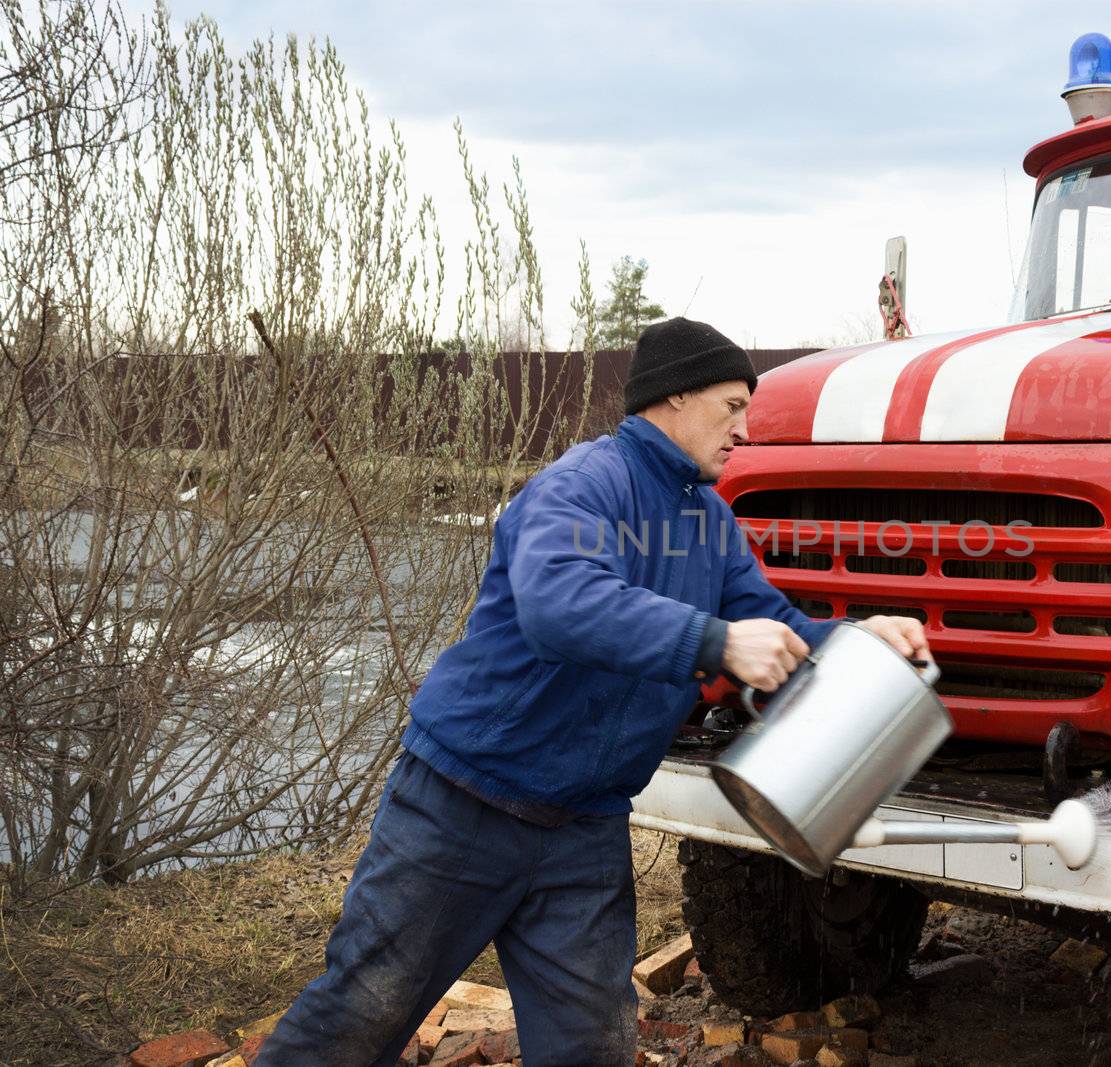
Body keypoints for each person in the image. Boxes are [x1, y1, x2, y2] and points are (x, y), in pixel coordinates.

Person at [256, 317, 930, 1067]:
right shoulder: (585, 483)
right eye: (732, 405)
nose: (746, 428)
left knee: (591, 1047)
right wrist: (714, 643)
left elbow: (772, 624)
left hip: (584, 827)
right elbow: (559, 601)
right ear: (674, 397)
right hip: (463, 803)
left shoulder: (708, 521)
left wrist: (855, 636)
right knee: (361, 1011)